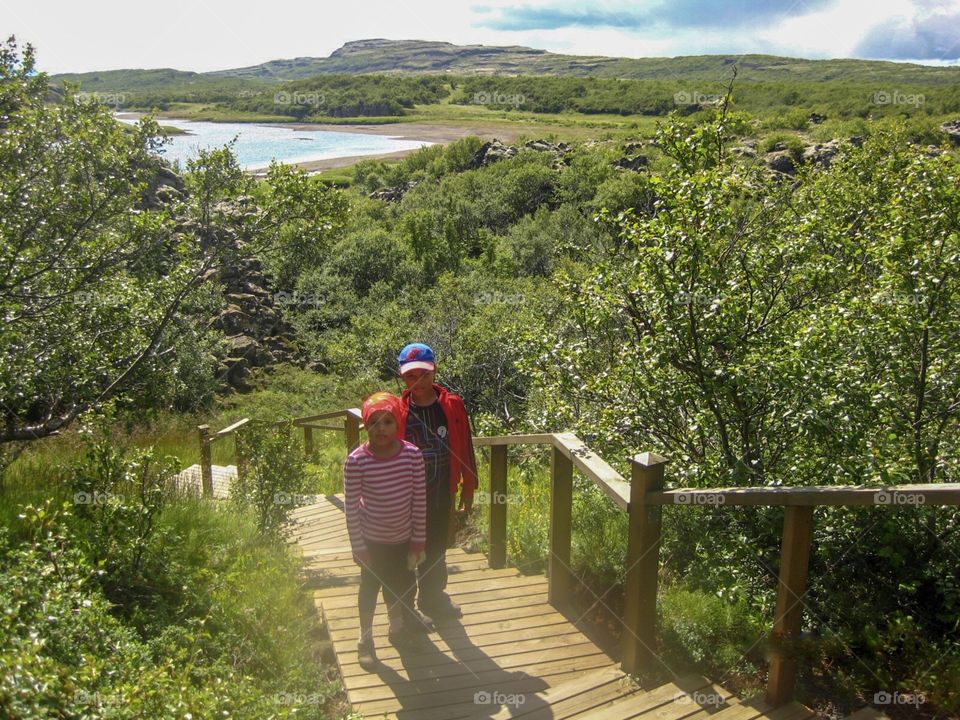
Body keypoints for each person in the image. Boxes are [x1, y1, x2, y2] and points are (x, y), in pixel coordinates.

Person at [344, 391, 427, 670]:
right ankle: (365, 639)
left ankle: (397, 629)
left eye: (388, 422)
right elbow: (352, 506)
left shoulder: (412, 456)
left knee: (399, 585)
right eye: (374, 422)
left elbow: (419, 500)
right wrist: (358, 546)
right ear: (366, 425)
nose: (381, 429)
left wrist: (418, 540)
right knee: (369, 588)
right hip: (372, 540)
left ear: (398, 424)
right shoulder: (356, 461)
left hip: (402, 539)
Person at [396, 342, 478, 620]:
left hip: (443, 487)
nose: (418, 382)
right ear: (401, 376)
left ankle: (433, 597)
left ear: (435, 372)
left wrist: (469, 486)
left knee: (437, 543)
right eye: (410, 375)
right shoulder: (397, 410)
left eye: (424, 374)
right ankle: (406, 605)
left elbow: (465, 445)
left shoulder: (452, 406)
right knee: (408, 545)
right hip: (408, 493)